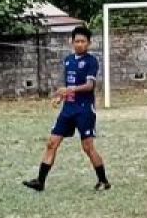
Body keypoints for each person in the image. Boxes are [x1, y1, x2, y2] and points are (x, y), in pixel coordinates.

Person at [23, 26, 110, 192]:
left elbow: (90, 85)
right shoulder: (69, 60)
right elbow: (67, 86)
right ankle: (40, 182)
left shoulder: (91, 61)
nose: (79, 44)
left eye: (83, 41)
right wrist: (60, 97)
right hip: (68, 109)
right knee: (51, 143)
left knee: (88, 147)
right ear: (71, 42)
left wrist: (70, 90)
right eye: (76, 41)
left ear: (89, 43)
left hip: (84, 110)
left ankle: (103, 180)